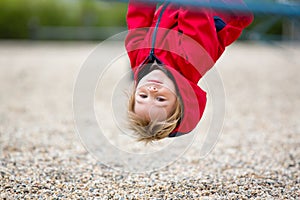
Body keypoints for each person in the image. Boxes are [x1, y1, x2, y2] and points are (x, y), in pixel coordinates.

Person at [125, 0, 253, 143]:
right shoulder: (191, 61)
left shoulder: (138, 58)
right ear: (180, 98)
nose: (152, 90)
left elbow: (138, 18)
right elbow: (195, 11)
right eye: (160, 99)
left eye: (143, 96)